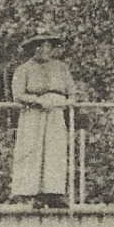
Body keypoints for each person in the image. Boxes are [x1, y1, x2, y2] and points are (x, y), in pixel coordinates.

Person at [10, 30, 76, 209]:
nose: (44, 49)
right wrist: (37, 101)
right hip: (33, 113)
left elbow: (73, 92)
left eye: (47, 45)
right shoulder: (23, 69)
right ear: (33, 48)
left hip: (55, 113)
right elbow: (17, 94)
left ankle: (53, 193)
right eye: (40, 46)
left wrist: (64, 102)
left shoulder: (61, 68)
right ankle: (29, 194)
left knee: (55, 151)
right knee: (31, 149)